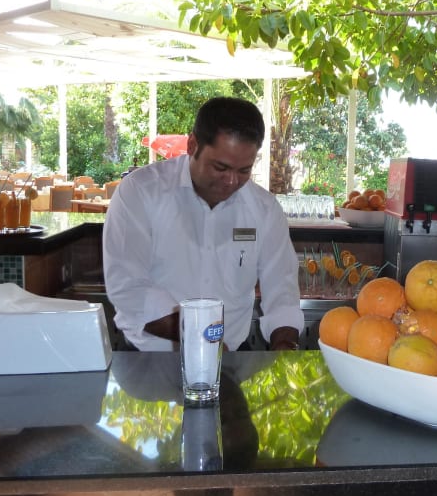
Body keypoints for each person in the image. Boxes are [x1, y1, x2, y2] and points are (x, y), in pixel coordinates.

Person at [104, 96, 304, 352]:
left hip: (229, 361)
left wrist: (285, 347)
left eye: (244, 170)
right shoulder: (142, 192)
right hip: (150, 359)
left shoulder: (263, 209)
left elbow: (282, 292)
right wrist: (202, 336)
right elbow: (129, 287)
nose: (231, 181)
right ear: (192, 145)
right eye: (221, 167)